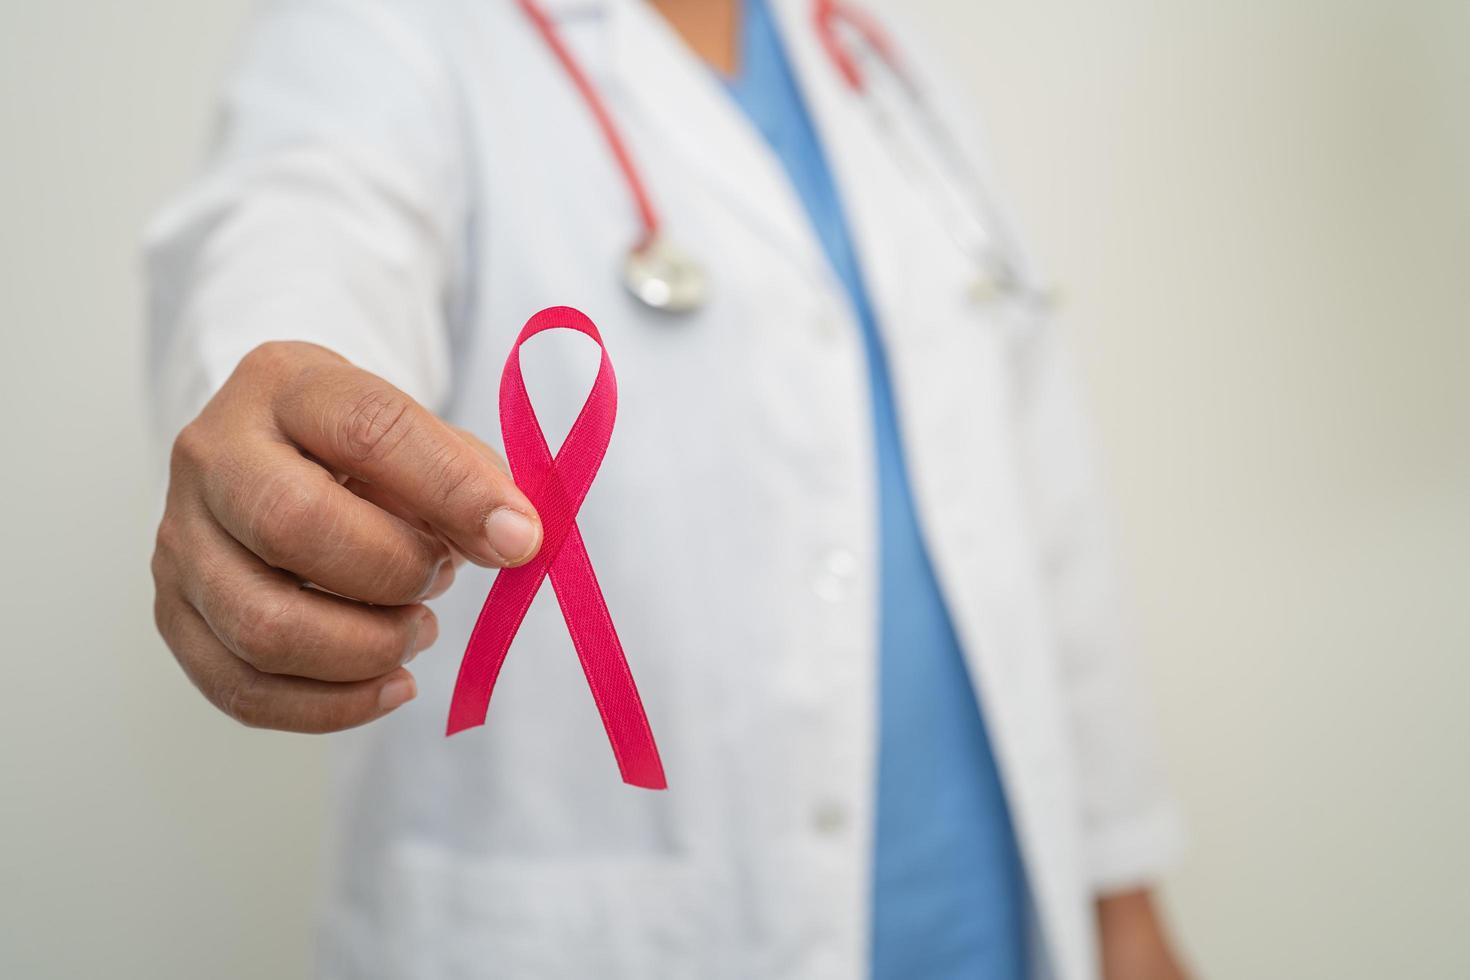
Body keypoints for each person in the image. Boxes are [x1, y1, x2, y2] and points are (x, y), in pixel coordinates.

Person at [145, 1, 1190, 977]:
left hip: (987, 918)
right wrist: (275, 408)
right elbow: (302, 224)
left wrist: (1122, 890)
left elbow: (1040, 508)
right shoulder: (389, 32)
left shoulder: (876, 47)